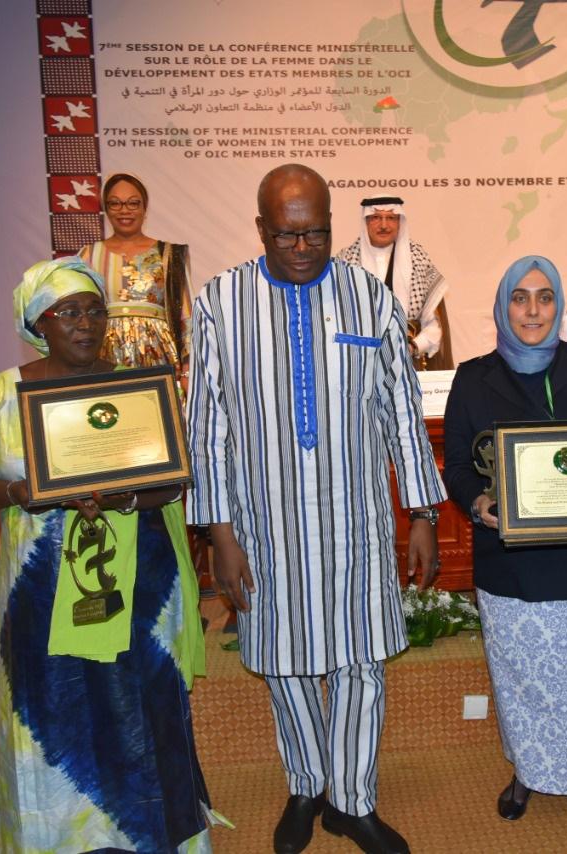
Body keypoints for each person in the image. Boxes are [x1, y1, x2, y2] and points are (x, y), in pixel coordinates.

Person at [186, 164, 446, 854]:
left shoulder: (369, 298)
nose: (303, 248)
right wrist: (219, 534)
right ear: (260, 229)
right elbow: (206, 428)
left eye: (317, 234)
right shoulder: (220, 303)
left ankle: (353, 802)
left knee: (361, 660)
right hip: (262, 525)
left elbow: (400, 410)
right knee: (285, 660)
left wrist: (422, 514)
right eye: (287, 235)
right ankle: (307, 786)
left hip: (356, 521)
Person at [0, 258, 213, 853]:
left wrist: (124, 496)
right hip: (40, 588)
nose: (86, 323)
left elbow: (175, 481)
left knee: (140, 703)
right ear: (37, 323)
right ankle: (59, 837)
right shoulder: (4, 393)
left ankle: (149, 835)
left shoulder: (138, 388)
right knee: (52, 704)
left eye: (96, 310)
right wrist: (22, 493)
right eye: (68, 312)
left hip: (140, 582)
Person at [442, 255, 567, 822]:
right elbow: (457, 465)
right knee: (520, 675)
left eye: (545, 297)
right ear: (503, 306)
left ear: (559, 305)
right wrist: (478, 503)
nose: (533, 310)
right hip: (511, 557)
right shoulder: (473, 377)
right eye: (520, 297)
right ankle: (526, 773)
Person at [79, 173, 192, 379]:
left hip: (159, 356)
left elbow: (186, 317)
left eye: (133, 203)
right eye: (115, 203)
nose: (124, 210)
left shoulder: (169, 254)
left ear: (144, 208)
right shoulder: (88, 255)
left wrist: (187, 372)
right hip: (103, 359)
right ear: (106, 208)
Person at [337, 196, 454, 370]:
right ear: (366, 222)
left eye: (391, 218)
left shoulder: (418, 260)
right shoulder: (345, 261)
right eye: (376, 218)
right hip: (359, 364)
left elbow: (435, 323)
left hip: (409, 363)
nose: (384, 225)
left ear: (400, 222)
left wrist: (413, 347)